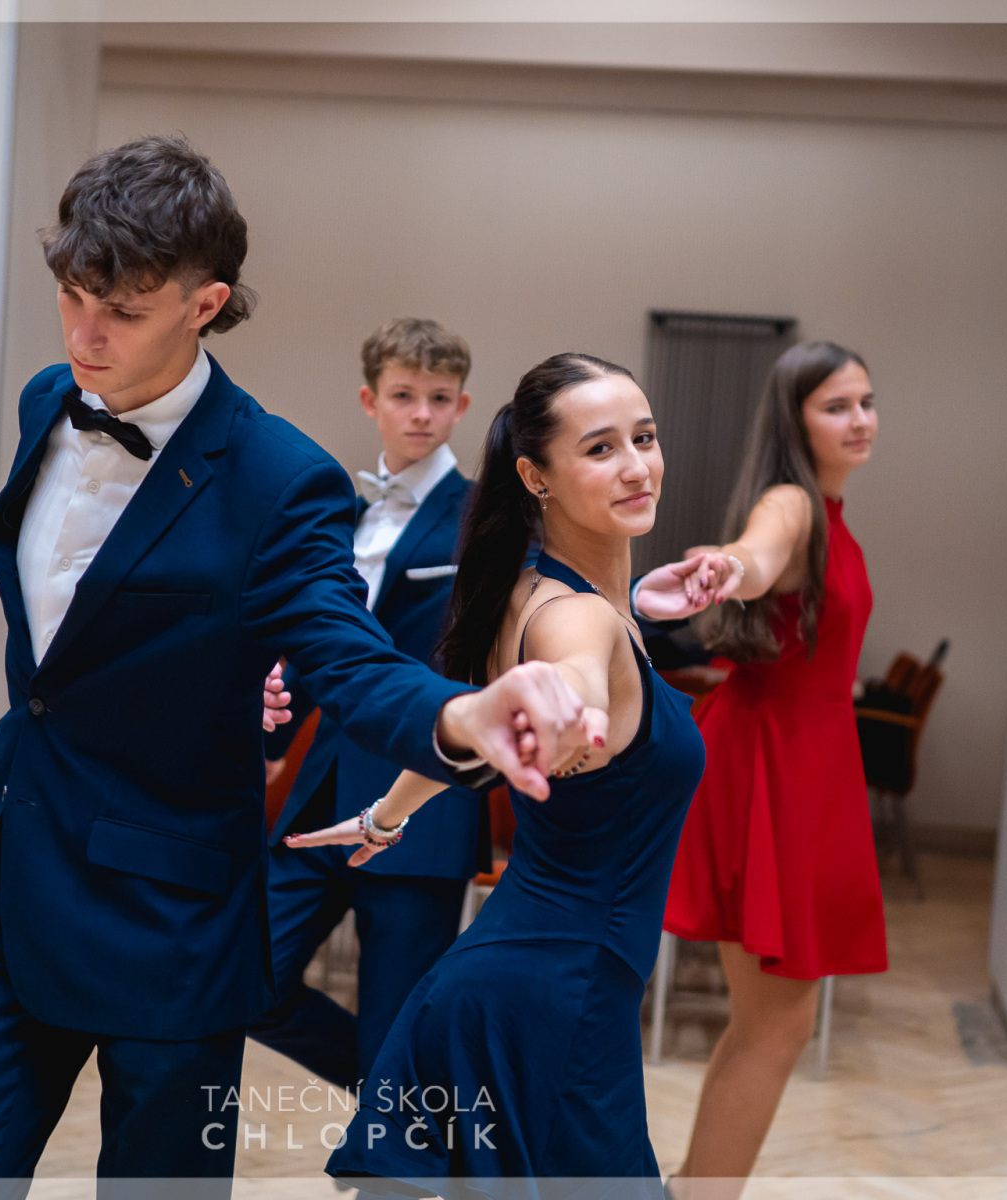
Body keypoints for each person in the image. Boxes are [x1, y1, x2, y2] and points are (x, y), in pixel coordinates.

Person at [0, 136, 599, 1200]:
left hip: (170, 922)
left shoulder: (279, 477)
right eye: (71, 295)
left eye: (122, 310)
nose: (85, 333)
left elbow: (345, 653)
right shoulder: (50, 400)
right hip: (11, 877)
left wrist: (461, 718)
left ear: (205, 303)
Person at [293, 352, 709, 1197]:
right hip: (552, 1003)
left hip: (521, 987)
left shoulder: (529, 591)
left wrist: (385, 815)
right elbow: (571, 671)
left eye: (644, 438)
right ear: (535, 476)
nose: (637, 466)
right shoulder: (574, 616)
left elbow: (476, 729)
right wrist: (573, 706)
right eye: (600, 449)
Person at [658, 340, 886, 1200]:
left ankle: (694, 1188)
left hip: (804, 758)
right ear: (795, 420)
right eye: (837, 406)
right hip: (774, 761)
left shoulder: (831, 510)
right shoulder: (793, 503)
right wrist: (731, 569)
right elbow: (758, 550)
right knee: (777, 1023)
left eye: (866, 402)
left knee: (770, 1023)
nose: (860, 420)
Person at [251, 317, 484, 1091]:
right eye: (404, 395)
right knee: (250, 978)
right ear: (370, 400)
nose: (422, 413)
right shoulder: (341, 512)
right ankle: (392, 1096)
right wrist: (271, 737)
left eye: (440, 398)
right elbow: (317, 643)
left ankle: (393, 1116)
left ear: (461, 406)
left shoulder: (486, 516)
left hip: (425, 803)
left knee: (395, 1018)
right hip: (322, 790)